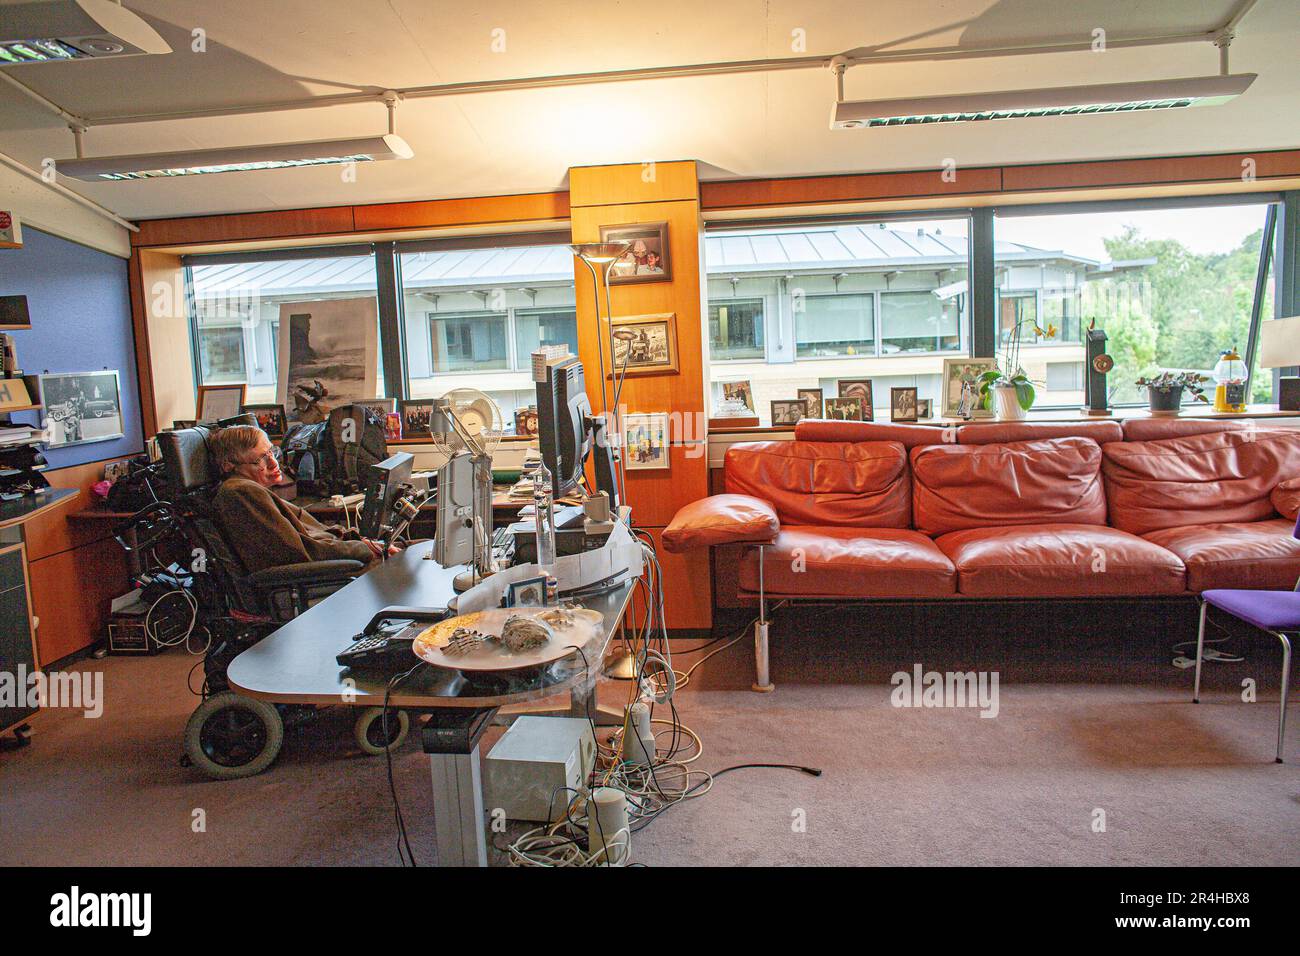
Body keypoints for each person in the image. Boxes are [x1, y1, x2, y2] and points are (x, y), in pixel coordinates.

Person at [208, 425, 393, 573]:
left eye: (272, 452)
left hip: (339, 555)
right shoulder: (241, 492)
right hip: (328, 570)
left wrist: (362, 541)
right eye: (260, 460)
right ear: (228, 466)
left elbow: (315, 535)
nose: (273, 463)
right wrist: (363, 548)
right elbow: (303, 551)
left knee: (417, 549)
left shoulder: (254, 490)